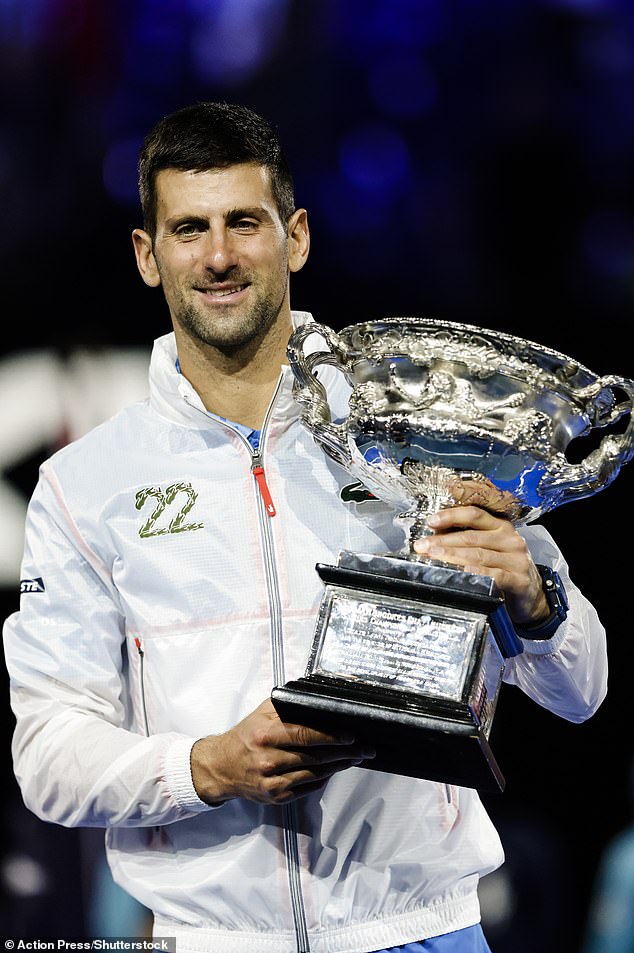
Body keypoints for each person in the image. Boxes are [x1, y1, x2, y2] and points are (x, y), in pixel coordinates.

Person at [2, 101, 607, 953]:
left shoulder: (416, 428)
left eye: (244, 222)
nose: (218, 255)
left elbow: (582, 691)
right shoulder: (84, 485)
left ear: (297, 238)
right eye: (189, 228)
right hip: (213, 938)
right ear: (148, 255)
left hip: (422, 928)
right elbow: (49, 755)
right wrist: (206, 766)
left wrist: (539, 602)